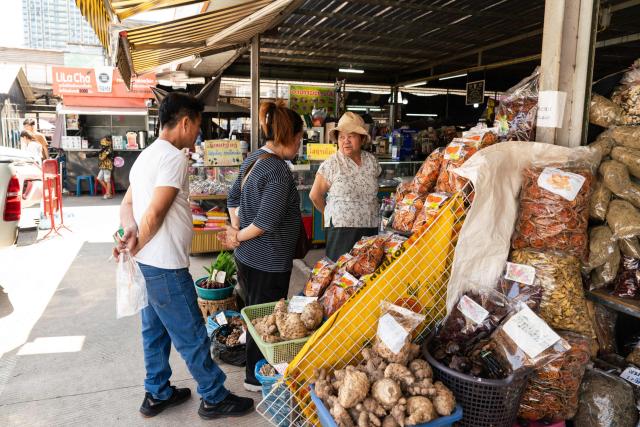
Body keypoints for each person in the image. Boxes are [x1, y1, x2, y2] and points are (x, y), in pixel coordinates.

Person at [113, 92, 253, 420]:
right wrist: (135, 242)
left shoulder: (146, 156)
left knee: (154, 331)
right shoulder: (174, 158)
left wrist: (128, 236)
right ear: (185, 122)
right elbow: (156, 214)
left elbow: (128, 206)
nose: (197, 134)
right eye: (197, 126)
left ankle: (157, 392)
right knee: (190, 332)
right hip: (165, 265)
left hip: (147, 264)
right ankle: (214, 397)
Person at [223, 100, 303, 392]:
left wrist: (236, 229)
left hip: (248, 258)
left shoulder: (255, 158)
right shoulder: (279, 171)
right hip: (268, 260)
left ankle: (251, 368)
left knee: (253, 312)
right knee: (265, 320)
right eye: (300, 138)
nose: (300, 144)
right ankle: (256, 376)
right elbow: (266, 222)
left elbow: (232, 197)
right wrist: (238, 234)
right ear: (292, 137)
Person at [309, 112, 382, 261]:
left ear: (361, 139)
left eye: (351, 136)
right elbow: (315, 195)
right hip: (342, 230)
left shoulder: (371, 161)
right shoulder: (332, 163)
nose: (345, 141)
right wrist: (331, 212)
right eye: (341, 137)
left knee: (366, 273)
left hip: (370, 225)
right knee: (341, 275)